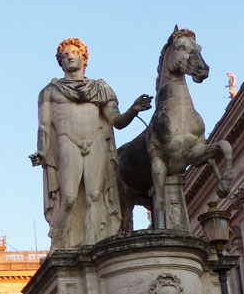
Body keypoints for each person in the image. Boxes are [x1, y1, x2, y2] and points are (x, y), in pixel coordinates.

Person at [29, 38, 152, 249]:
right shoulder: (50, 92)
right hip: (67, 141)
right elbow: (44, 127)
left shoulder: (100, 89)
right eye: (65, 55)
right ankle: (59, 245)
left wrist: (133, 110)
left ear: (84, 58)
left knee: (95, 195)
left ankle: (95, 245)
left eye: (74, 52)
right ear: (60, 61)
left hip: (96, 141)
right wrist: (41, 151)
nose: (69, 56)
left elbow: (117, 121)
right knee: (68, 197)